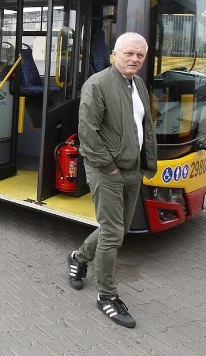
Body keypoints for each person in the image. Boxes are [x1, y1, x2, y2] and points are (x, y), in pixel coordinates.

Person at [67, 31, 157, 328]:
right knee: (111, 233)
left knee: (119, 229)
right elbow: (88, 133)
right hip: (107, 170)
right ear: (114, 55)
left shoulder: (138, 84)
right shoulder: (98, 84)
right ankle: (106, 296)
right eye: (129, 53)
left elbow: (144, 126)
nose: (134, 59)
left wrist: (146, 165)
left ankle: (79, 257)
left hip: (133, 170)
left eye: (139, 55)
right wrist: (109, 168)